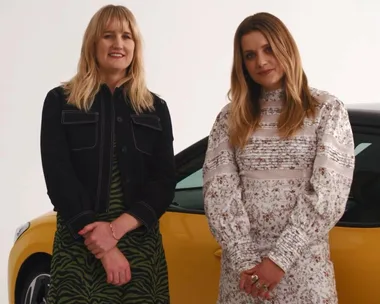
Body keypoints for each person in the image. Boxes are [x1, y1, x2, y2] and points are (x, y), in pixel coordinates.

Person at [202, 12, 355, 304]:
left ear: (287, 47)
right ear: (242, 64)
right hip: (244, 277)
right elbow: (218, 194)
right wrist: (247, 261)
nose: (261, 61)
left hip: (304, 270)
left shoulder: (326, 110)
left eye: (269, 48)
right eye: (250, 55)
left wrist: (279, 260)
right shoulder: (230, 119)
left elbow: (328, 195)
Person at [40, 4, 176, 304]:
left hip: (140, 243)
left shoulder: (155, 108)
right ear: (93, 44)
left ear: (135, 46)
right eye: (108, 35)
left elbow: (164, 181)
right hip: (79, 243)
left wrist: (116, 230)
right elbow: (58, 176)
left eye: (127, 36)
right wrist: (103, 245)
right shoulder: (60, 102)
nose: (118, 44)